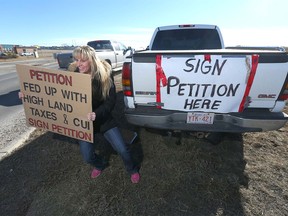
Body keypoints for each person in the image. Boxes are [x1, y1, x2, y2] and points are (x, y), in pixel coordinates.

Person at [69, 45, 140, 183]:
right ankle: (100, 164)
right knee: (87, 157)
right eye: (76, 60)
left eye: (82, 61)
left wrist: (96, 114)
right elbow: (56, 94)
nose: (78, 64)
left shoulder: (104, 75)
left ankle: (132, 169)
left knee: (123, 150)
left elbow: (110, 101)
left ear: (92, 60)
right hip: (84, 123)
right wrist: (29, 94)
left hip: (103, 119)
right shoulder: (73, 75)